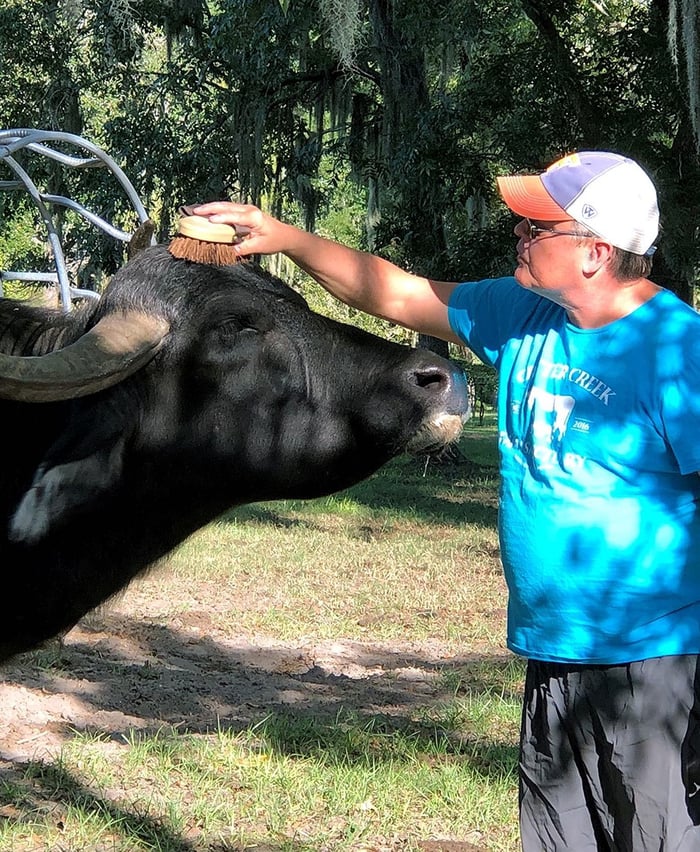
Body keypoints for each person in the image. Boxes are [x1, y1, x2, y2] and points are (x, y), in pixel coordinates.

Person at [193, 151, 700, 851]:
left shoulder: (679, 354)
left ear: (596, 251)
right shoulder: (524, 313)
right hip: (554, 652)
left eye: (535, 227)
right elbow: (396, 293)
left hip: (655, 665)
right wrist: (286, 237)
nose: (517, 236)